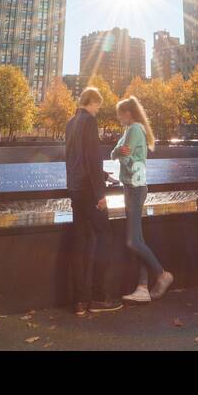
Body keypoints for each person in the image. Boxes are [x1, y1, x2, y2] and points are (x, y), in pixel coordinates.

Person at [111, 97, 174, 304]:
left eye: (120, 113)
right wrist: (119, 152)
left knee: (132, 241)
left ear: (128, 113)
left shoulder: (134, 130)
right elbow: (114, 152)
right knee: (138, 239)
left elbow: (128, 161)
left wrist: (121, 154)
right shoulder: (129, 130)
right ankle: (142, 287)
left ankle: (162, 275)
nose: (118, 117)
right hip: (131, 187)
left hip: (136, 187)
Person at [65, 87, 121, 315]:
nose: (98, 110)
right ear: (91, 102)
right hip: (90, 192)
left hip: (76, 190)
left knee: (80, 243)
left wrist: (104, 175)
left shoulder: (70, 123)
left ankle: (79, 302)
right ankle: (99, 297)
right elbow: (91, 157)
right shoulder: (89, 121)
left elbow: (75, 158)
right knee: (105, 235)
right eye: (98, 105)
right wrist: (101, 195)